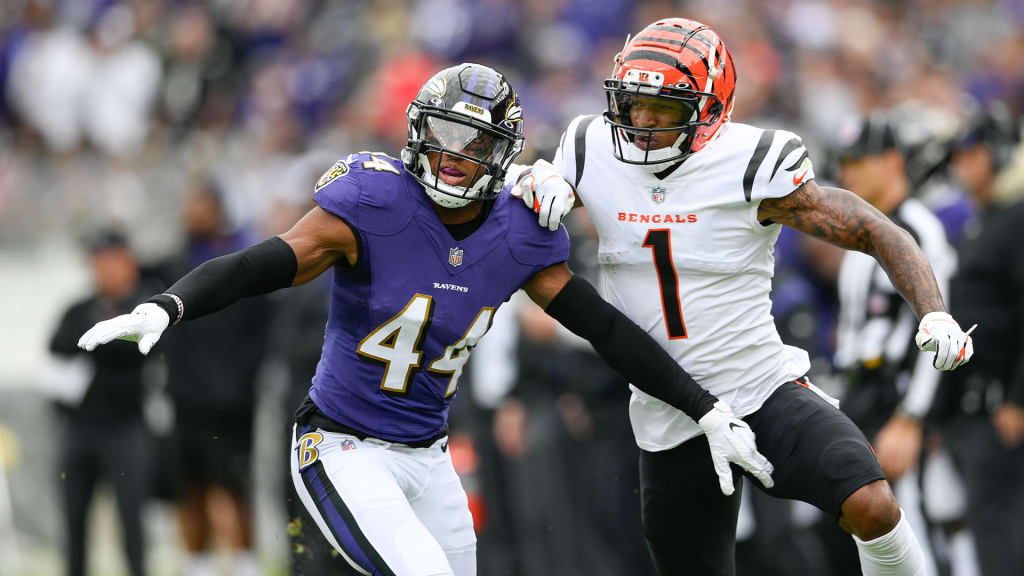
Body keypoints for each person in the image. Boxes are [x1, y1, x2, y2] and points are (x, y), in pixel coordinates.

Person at [77, 63, 774, 576]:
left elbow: (606, 329)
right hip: (341, 444)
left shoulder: (519, 234)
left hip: (430, 455)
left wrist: (703, 407)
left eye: (473, 142)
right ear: (415, 131)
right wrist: (169, 304)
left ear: (501, 155)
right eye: (442, 133)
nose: (452, 153)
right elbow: (266, 262)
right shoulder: (374, 203)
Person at [509, 19, 975, 576]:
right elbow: (518, 217)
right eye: (633, 103)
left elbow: (875, 229)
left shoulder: (752, 161)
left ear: (710, 111)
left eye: (664, 107)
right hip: (668, 412)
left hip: (760, 386)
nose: (642, 121)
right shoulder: (588, 149)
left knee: (871, 503)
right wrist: (536, 184)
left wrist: (933, 310)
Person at [831, 112, 972, 576]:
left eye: (858, 160)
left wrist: (910, 419)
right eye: (843, 162)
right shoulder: (859, 232)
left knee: (906, 521)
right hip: (861, 394)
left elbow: (940, 332)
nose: (847, 173)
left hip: (893, 397)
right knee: (860, 530)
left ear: (892, 161)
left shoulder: (918, 230)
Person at [935, 100, 1024, 576]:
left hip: (1001, 410)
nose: (961, 164)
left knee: (1001, 529)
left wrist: (1018, 398)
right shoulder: (980, 219)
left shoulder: (1016, 217)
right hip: (969, 411)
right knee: (983, 526)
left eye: (971, 152)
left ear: (1000, 152)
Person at [46, 231, 158, 576]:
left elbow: (138, 353)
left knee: (132, 520)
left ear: (128, 261)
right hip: (80, 428)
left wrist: (102, 344)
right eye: (98, 262)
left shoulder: (147, 308)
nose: (103, 270)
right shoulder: (78, 308)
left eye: (110, 260)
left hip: (127, 426)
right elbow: (58, 348)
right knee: (74, 521)